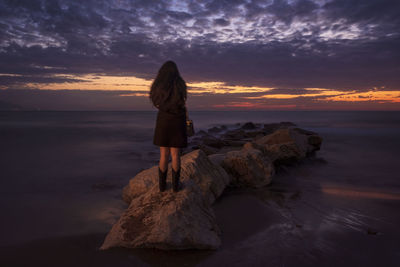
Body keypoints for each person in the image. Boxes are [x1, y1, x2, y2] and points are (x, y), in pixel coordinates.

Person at [149, 60, 188, 192]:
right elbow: (183, 101)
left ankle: (162, 187)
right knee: (176, 155)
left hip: (163, 119)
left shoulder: (158, 84)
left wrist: (161, 106)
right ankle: (176, 187)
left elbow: (153, 99)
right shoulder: (180, 83)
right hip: (177, 119)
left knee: (163, 155)